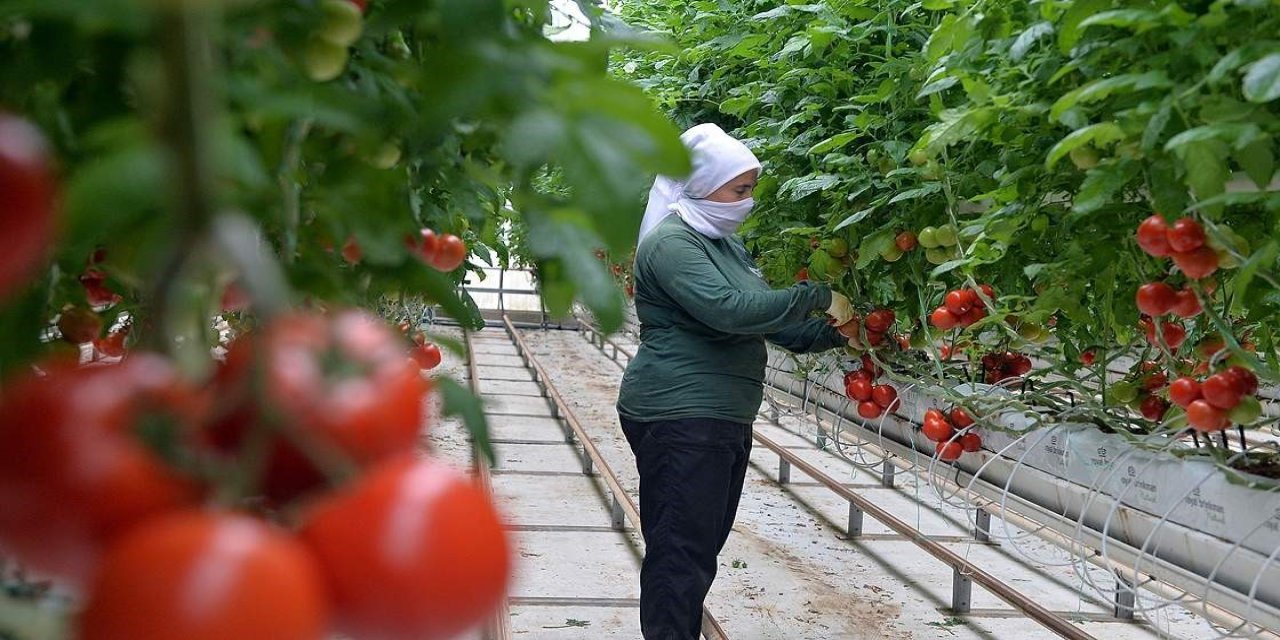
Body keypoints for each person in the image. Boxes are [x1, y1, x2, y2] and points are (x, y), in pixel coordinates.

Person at [616, 123, 856, 639]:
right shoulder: (672, 243)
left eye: (750, 191)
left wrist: (848, 336)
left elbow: (779, 326)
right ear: (704, 183)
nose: (746, 203)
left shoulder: (723, 246)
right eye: (739, 190)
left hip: (718, 417)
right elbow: (730, 311)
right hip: (681, 414)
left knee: (697, 548)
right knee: (682, 551)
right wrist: (817, 295)